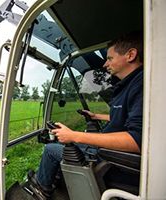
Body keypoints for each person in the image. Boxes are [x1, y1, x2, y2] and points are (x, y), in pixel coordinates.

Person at [27, 31, 143, 199]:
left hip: (113, 160)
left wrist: (74, 136)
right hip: (111, 152)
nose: (105, 64)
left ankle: (42, 188)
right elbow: (127, 119)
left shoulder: (140, 85)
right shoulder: (131, 84)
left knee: (51, 149)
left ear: (130, 55)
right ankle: (55, 177)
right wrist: (96, 116)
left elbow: (136, 140)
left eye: (110, 58)